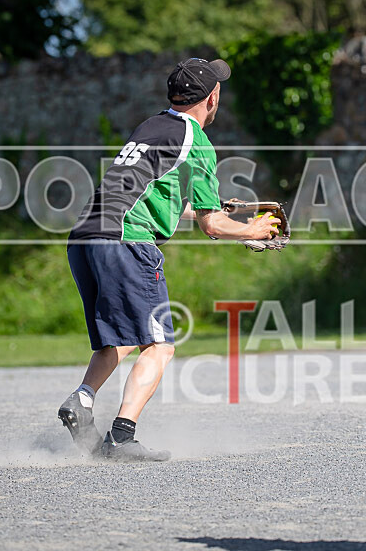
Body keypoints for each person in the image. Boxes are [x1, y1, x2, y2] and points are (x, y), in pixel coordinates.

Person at [57, 58, 280, 462]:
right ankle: (122, 438)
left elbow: (163, 200)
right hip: (126, 240)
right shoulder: (197, 143)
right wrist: (252, 230)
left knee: (122, 337)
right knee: (160, 344)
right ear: (212, 98)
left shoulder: (150, 127)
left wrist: (219, 214)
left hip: (86, 238)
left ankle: (82, 400)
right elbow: (212, 227)